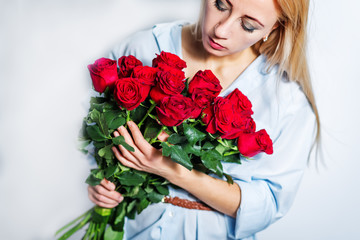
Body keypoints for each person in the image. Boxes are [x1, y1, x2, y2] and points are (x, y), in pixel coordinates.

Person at [87, 0, 320, 239]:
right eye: (220, 4)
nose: (221, 30)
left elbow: (268, 205)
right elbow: (91, 135)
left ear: (274, 28)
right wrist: (100, 183)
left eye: (248, 25)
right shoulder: (144, 46)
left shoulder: (287, 101)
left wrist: (174, 171)